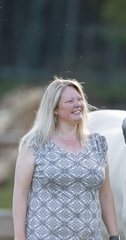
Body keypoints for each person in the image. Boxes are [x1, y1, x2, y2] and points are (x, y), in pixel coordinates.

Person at [12, 77, 120, 240]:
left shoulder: (98, 144)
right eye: (70, 101)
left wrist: (114, 236)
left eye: (79, 99)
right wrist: (19, 237)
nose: (78, 104)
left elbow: (105, 195)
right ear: (55, 109)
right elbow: (20, 193)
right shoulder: (34, 143)